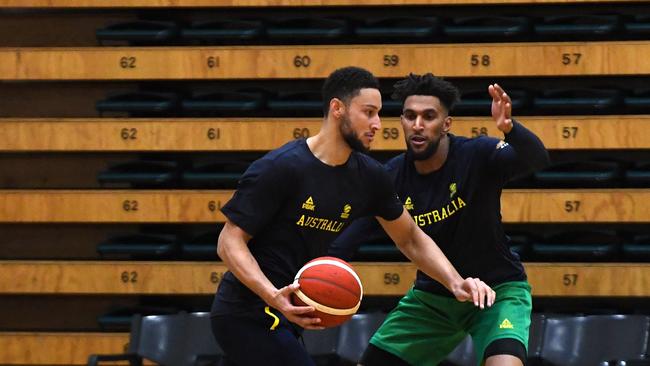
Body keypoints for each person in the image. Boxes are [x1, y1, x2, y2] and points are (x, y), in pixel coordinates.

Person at [210, 67, 495, 366]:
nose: (377, 124)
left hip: (290, 313)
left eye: (379, 114)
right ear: (337, 109)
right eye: (368, 113)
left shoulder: (370, 177)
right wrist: (272, 295)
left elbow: (410, 237)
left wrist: (455, 282)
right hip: (247, 311)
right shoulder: (281, 167)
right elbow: (228, 242)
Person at [329, 73, 550, 366]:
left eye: (428, 116)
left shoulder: (477, 154)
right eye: (410, 116)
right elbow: (346, 241)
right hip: (432, 299)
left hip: (497, 292)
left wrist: (509, 128)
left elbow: (537, 159)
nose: (418, 125)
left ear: (446, 124)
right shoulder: (391, 178)